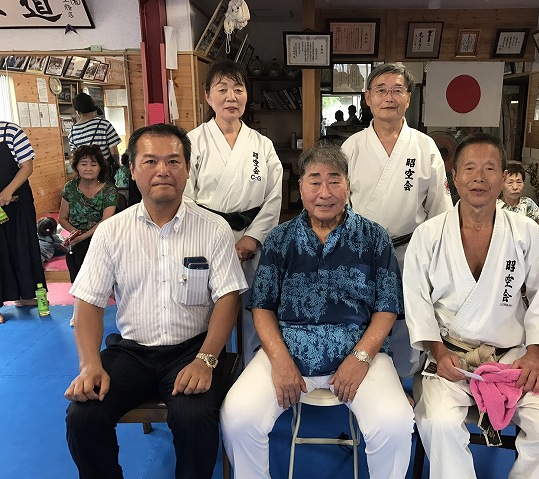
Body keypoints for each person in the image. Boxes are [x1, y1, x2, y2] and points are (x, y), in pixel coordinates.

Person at [64, 123, 247, 479]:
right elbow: (88, 303)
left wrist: (206, 360)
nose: (162, 170)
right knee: (82, 416)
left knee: (194, 417)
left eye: (173, 161)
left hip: (191, 349)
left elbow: (227, 297)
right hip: (131, 353)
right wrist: (89, 366)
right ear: (132, 170)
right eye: (150, 161)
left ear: (188, 169)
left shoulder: (213, 228)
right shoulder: (111, 232)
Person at [220, 143, 414, 479]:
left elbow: (386, 308)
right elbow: (262, 306)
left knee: (395, 422)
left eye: (334, 181)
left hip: (359, 354)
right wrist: (281, 361)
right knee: (237, 416)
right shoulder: (280, 239)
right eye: (315, 181)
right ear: (301, 188)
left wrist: (361, 358)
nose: (325, 192)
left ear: (348, 185)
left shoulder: (374, 237)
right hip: (288, 351)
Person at [404, 132, 539, 479]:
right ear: (454, 177)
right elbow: (417, 301)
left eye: (489, 168)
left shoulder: (527, 233)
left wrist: (535, 355)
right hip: (450, 359)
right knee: (438, 423)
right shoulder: (429, 235)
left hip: (512, 361)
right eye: (469, 168)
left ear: (503, 177)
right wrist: (438, 352)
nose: (479, 177)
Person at [342, 62, 453, 376]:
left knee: (408, 316)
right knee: (360, 314)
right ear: (368, 98)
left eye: (397, 90)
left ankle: (404, 382)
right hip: (360, 250)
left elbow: (440, 208)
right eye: (381, 90)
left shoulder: (424, 146)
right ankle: (363, 378)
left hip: (409, 251)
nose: (388, 97)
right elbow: (339, 205)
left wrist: (437, 256)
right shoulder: (352, 147)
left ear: (408, 98)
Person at [184, 59, 283, 367]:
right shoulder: (192, 142)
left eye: (238, 89)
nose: (231, 97)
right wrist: (216, 238)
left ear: (246, 95)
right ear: (207, 96)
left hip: (251, 239)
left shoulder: (262, 144)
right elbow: (185, 196)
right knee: (208, 306)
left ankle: (253, 367)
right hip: (207, 238)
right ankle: (210, 366)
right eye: (222, 89)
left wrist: (253, 238)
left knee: (255, 305)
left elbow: (274, 195)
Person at [59, 145, 118, 327]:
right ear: (76, 167)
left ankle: (119, 301)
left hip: (103, 237)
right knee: (75, 261)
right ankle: (79, 310)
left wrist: (82, 237)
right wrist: (74, 233)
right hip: (77, 238)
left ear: (100, 167)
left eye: (93, 164)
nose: (88, 168)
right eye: (83, 164)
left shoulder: (109, 190)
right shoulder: (70, 188)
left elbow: (106, 221)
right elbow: (62, 218)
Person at [0, 122, 46, 324]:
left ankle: (26, 295)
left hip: (18, 202)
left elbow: (26, 166)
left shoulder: (10, 131)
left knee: (22, 246)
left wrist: (7, 191)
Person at [68, 92, 121, 181]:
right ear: (93, 106)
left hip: (85, 173)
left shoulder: (73, 131)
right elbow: (114, 153)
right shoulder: (104, 124)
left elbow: (75, 156)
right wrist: (118, 164)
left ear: (77, 111)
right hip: (104, 171)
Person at [498, 163, 539, 243]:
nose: (515, 187)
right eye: (510, 182)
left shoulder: (528, 204)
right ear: (501, 185)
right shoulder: (495, 206)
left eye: (519, 182)